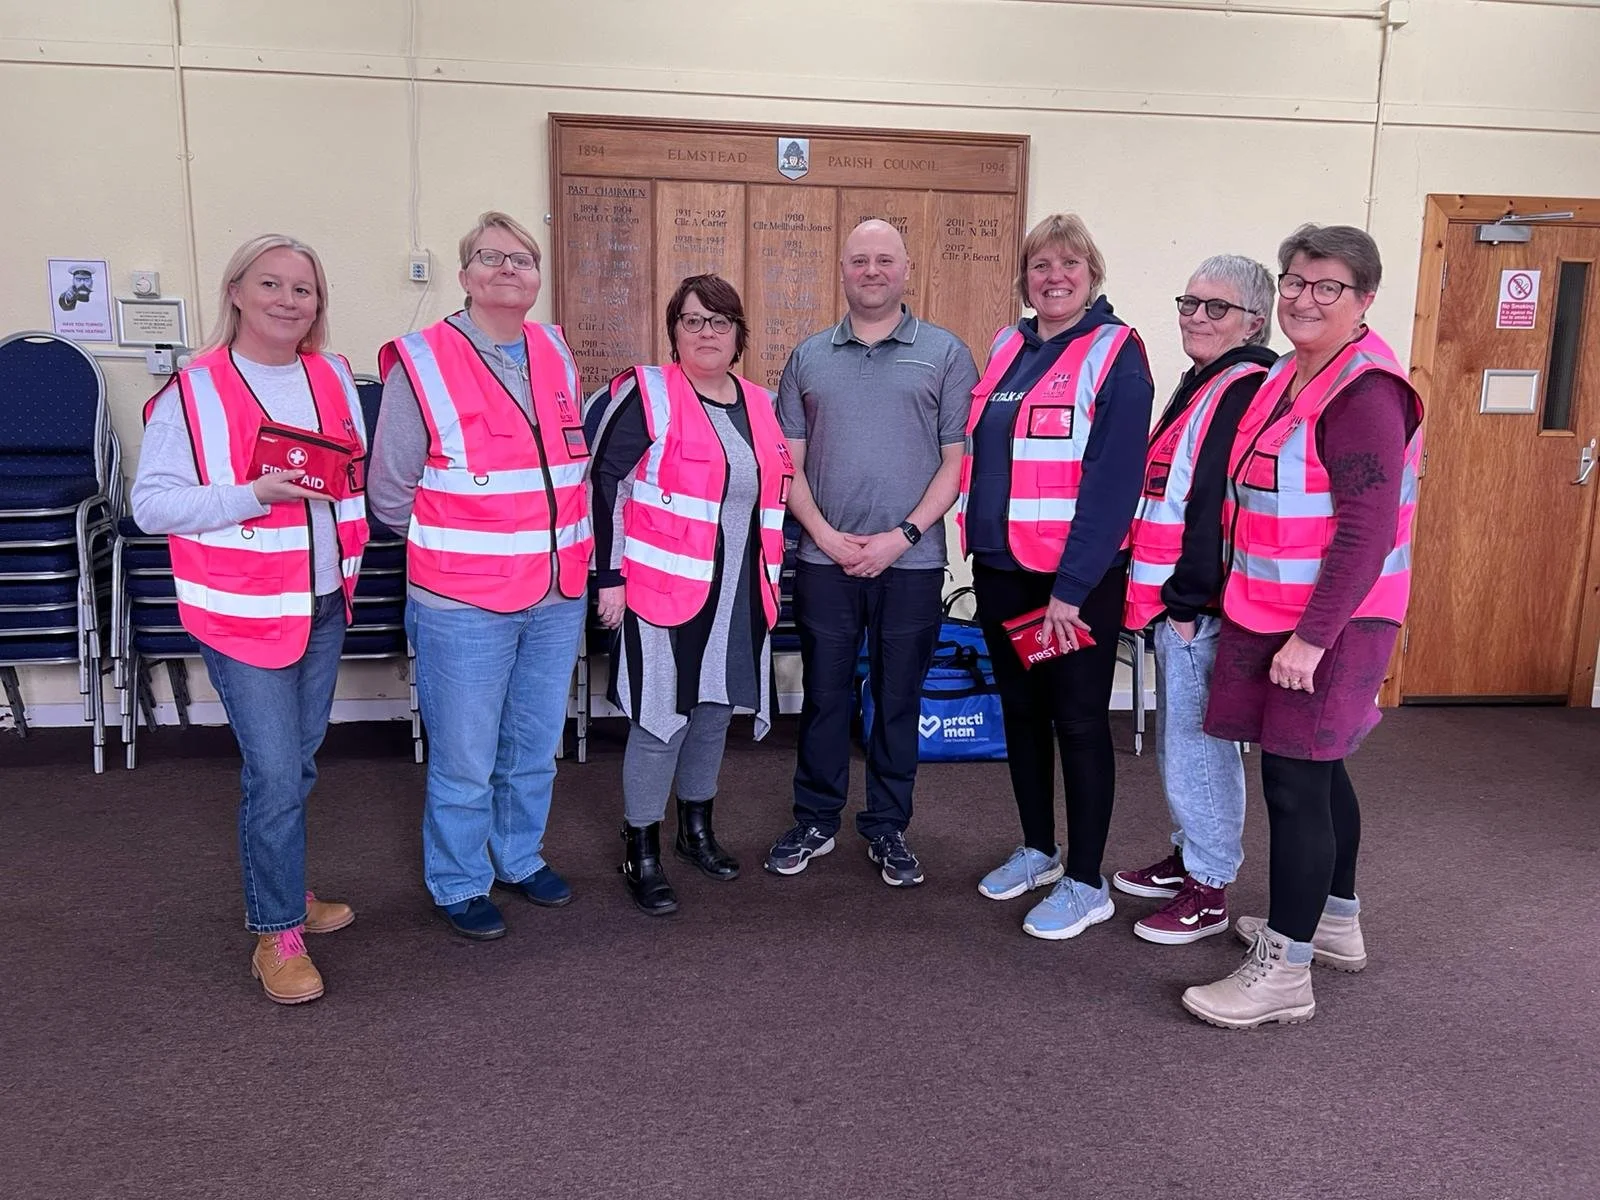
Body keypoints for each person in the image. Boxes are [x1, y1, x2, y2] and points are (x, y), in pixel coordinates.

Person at [1181, 224, 1423, 1029]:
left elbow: (1365, 530)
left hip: (1331, 621)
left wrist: (1313, 639)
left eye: (1328, 288)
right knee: (1321, 771)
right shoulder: (1291, 374)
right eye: (1294, 282)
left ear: (1363, 302)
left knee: (1293, 783)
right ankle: (1333, 921)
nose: (1304, 299)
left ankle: (1283, 971)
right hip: (1275, 608)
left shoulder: (1365, 392)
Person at [131, 234, 368, 1005]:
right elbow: (150, 505)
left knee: (297, 765)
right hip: (241, 610)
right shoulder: (192, 390)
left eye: (304, 290)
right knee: (272, 773)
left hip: (322, 600)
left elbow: (346, 471)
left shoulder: (331, 374)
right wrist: (252, 494)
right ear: (236, 291)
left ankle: (287, 889)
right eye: (272, 284)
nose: (288, 302)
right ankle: (275, 933)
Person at [368, 211, 592, 941]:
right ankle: (459, 880)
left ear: (536, 279)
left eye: (522, 259)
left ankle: (519, 856)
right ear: (464, 277)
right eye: (490, 258)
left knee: (533, 745)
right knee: (464, 756)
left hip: (556, 592)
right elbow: (390, 491)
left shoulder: (555, 351)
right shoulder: (423, 360)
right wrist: (459, 550)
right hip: (463, 600)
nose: (508, 269)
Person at [764, 218, 978, 887]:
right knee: (825, 696)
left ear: (906, 269)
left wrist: (902, 537)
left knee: (896, 699)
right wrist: (824, 536)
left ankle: (887, 825)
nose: (873, 271)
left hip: (910, 565)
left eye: (885, 260)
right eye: (860, 260)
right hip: (825, 561)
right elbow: (785, 465)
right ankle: (816, 818)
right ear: (843, 270)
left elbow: (955, 465)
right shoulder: (808, 356)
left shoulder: (945, 353)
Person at [960, 213, 1154, 940]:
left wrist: (1071, 592)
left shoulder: (1116, 353)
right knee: (1021, 714)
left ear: (1092, 274)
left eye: (1070, 264)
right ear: (1026, 277)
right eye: (1041, 265)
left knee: (1076, 721)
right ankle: (1039, 849)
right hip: (1006, 570)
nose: (1055, 277)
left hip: (1074, 585)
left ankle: (1085, 879)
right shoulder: (1009, 345)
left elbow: (1112, 484)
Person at [587, 274, 792, 914]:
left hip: (738, 589)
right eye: (694, 320)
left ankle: (695, 828)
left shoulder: (761, 403)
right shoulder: (647, 395)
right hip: (657, 589)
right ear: (674, 330)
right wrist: (609, 577)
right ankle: (640, 845)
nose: (707, 332)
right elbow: (604, 487)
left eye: (720, 321)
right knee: (661, 716)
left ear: (739, 335)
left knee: (712, 709)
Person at [1111, 256, 1278, 945]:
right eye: (1190, 303)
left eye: (1217, 308)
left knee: (1197, 748)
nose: (1197, 317)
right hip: (1174, 601)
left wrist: (1186, 600)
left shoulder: (1240, 384)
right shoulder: (1205, 380)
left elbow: (1213, 500)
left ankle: (1209, 887)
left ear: (1253, 321)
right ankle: (1189, 856)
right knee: (1184, 744)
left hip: (1195, 606)